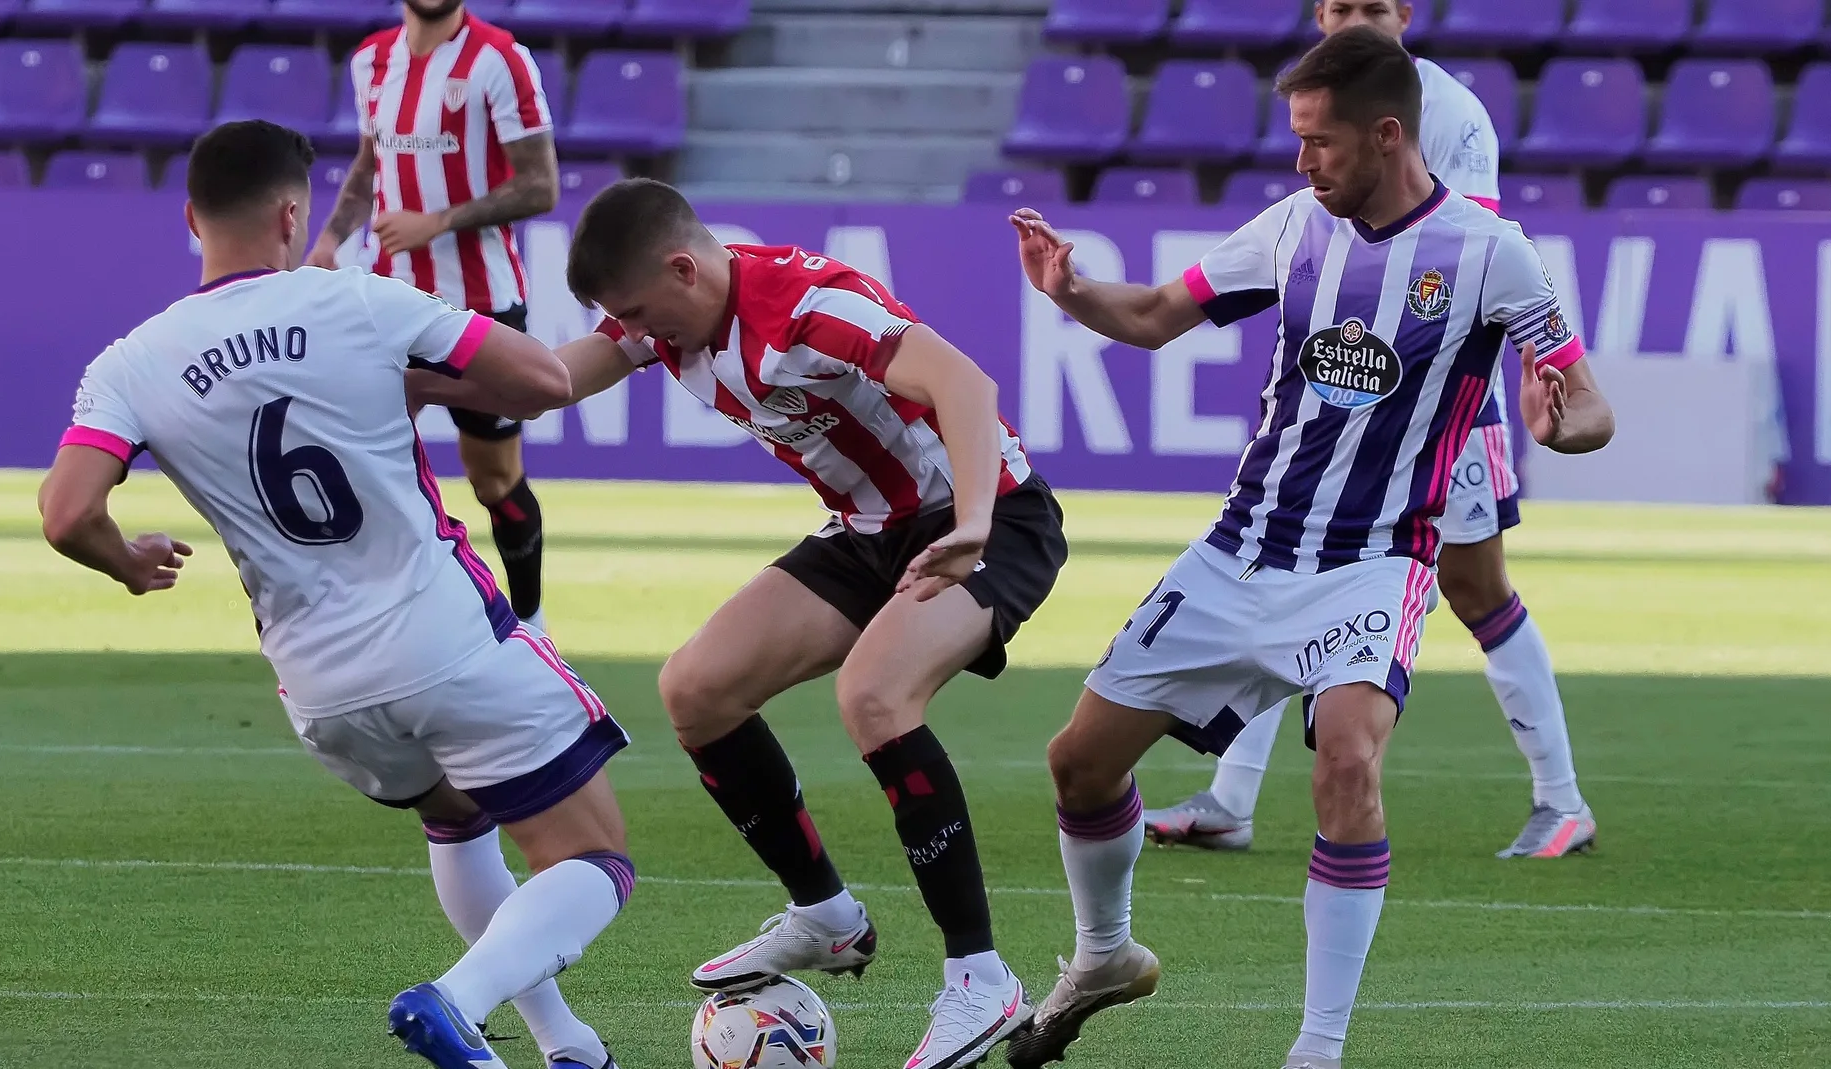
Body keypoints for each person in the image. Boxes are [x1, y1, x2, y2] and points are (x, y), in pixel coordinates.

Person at [1005, 28, 1614, 1069]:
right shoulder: (1292, 226)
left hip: (1376, 559)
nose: (1301, 161)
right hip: (1243, 544)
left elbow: (1590, 399)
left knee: (1347, 759)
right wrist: (1070, 290)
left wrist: (1565, 425)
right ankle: (1103, 954)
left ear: (1387, 135)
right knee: (1079, 763)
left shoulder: (1489, 251)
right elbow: (1155, 314)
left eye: (1318, 141)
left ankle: (1317, 1047)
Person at [38, 120, 631, 1069]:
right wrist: (606, 345)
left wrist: (128, 561)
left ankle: (566, 1045)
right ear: (292, 214)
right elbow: (538, 381)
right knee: (595, 855)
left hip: (322, 689)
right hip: (443, 635)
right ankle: (455, 999)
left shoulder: (129, 363)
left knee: (458, 814)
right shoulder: (359, 298)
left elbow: (68, 511)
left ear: (191, 219)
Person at [554, 178, 1067, 1069]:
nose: (632, 331)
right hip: (868, 531)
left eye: (635, 312)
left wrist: (974, 523)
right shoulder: (666, 317)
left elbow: (965, 382)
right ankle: (827, 915)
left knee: (875, 695)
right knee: (696, 690)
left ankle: (981, 977)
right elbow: (552, 379)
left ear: (683, 269)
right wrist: (422, 369)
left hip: (991, 518)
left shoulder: (806, 308)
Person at [1145, 0, 1599, 861]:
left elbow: (1466, 262)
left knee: (1479, 592)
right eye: (1343, 6)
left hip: (1444, 409)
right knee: (1288, 561)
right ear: (1320, 15)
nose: (1358, 19)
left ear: (1406, 15)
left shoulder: (1451, 109)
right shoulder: (1321, 113)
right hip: (1350, 399)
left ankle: (1562, 799)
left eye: (1375, 7)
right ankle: (1231, 799)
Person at [306, 0, 559, 631]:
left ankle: (532, 625)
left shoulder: (500, 58)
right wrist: (330, 241)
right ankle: (369, 625)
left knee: (495, 479)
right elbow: (369, 166)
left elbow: (541, 185)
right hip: (387, 304)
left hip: (482, 305)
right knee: (363, 467)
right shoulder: (371, 60)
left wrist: (438, 222)